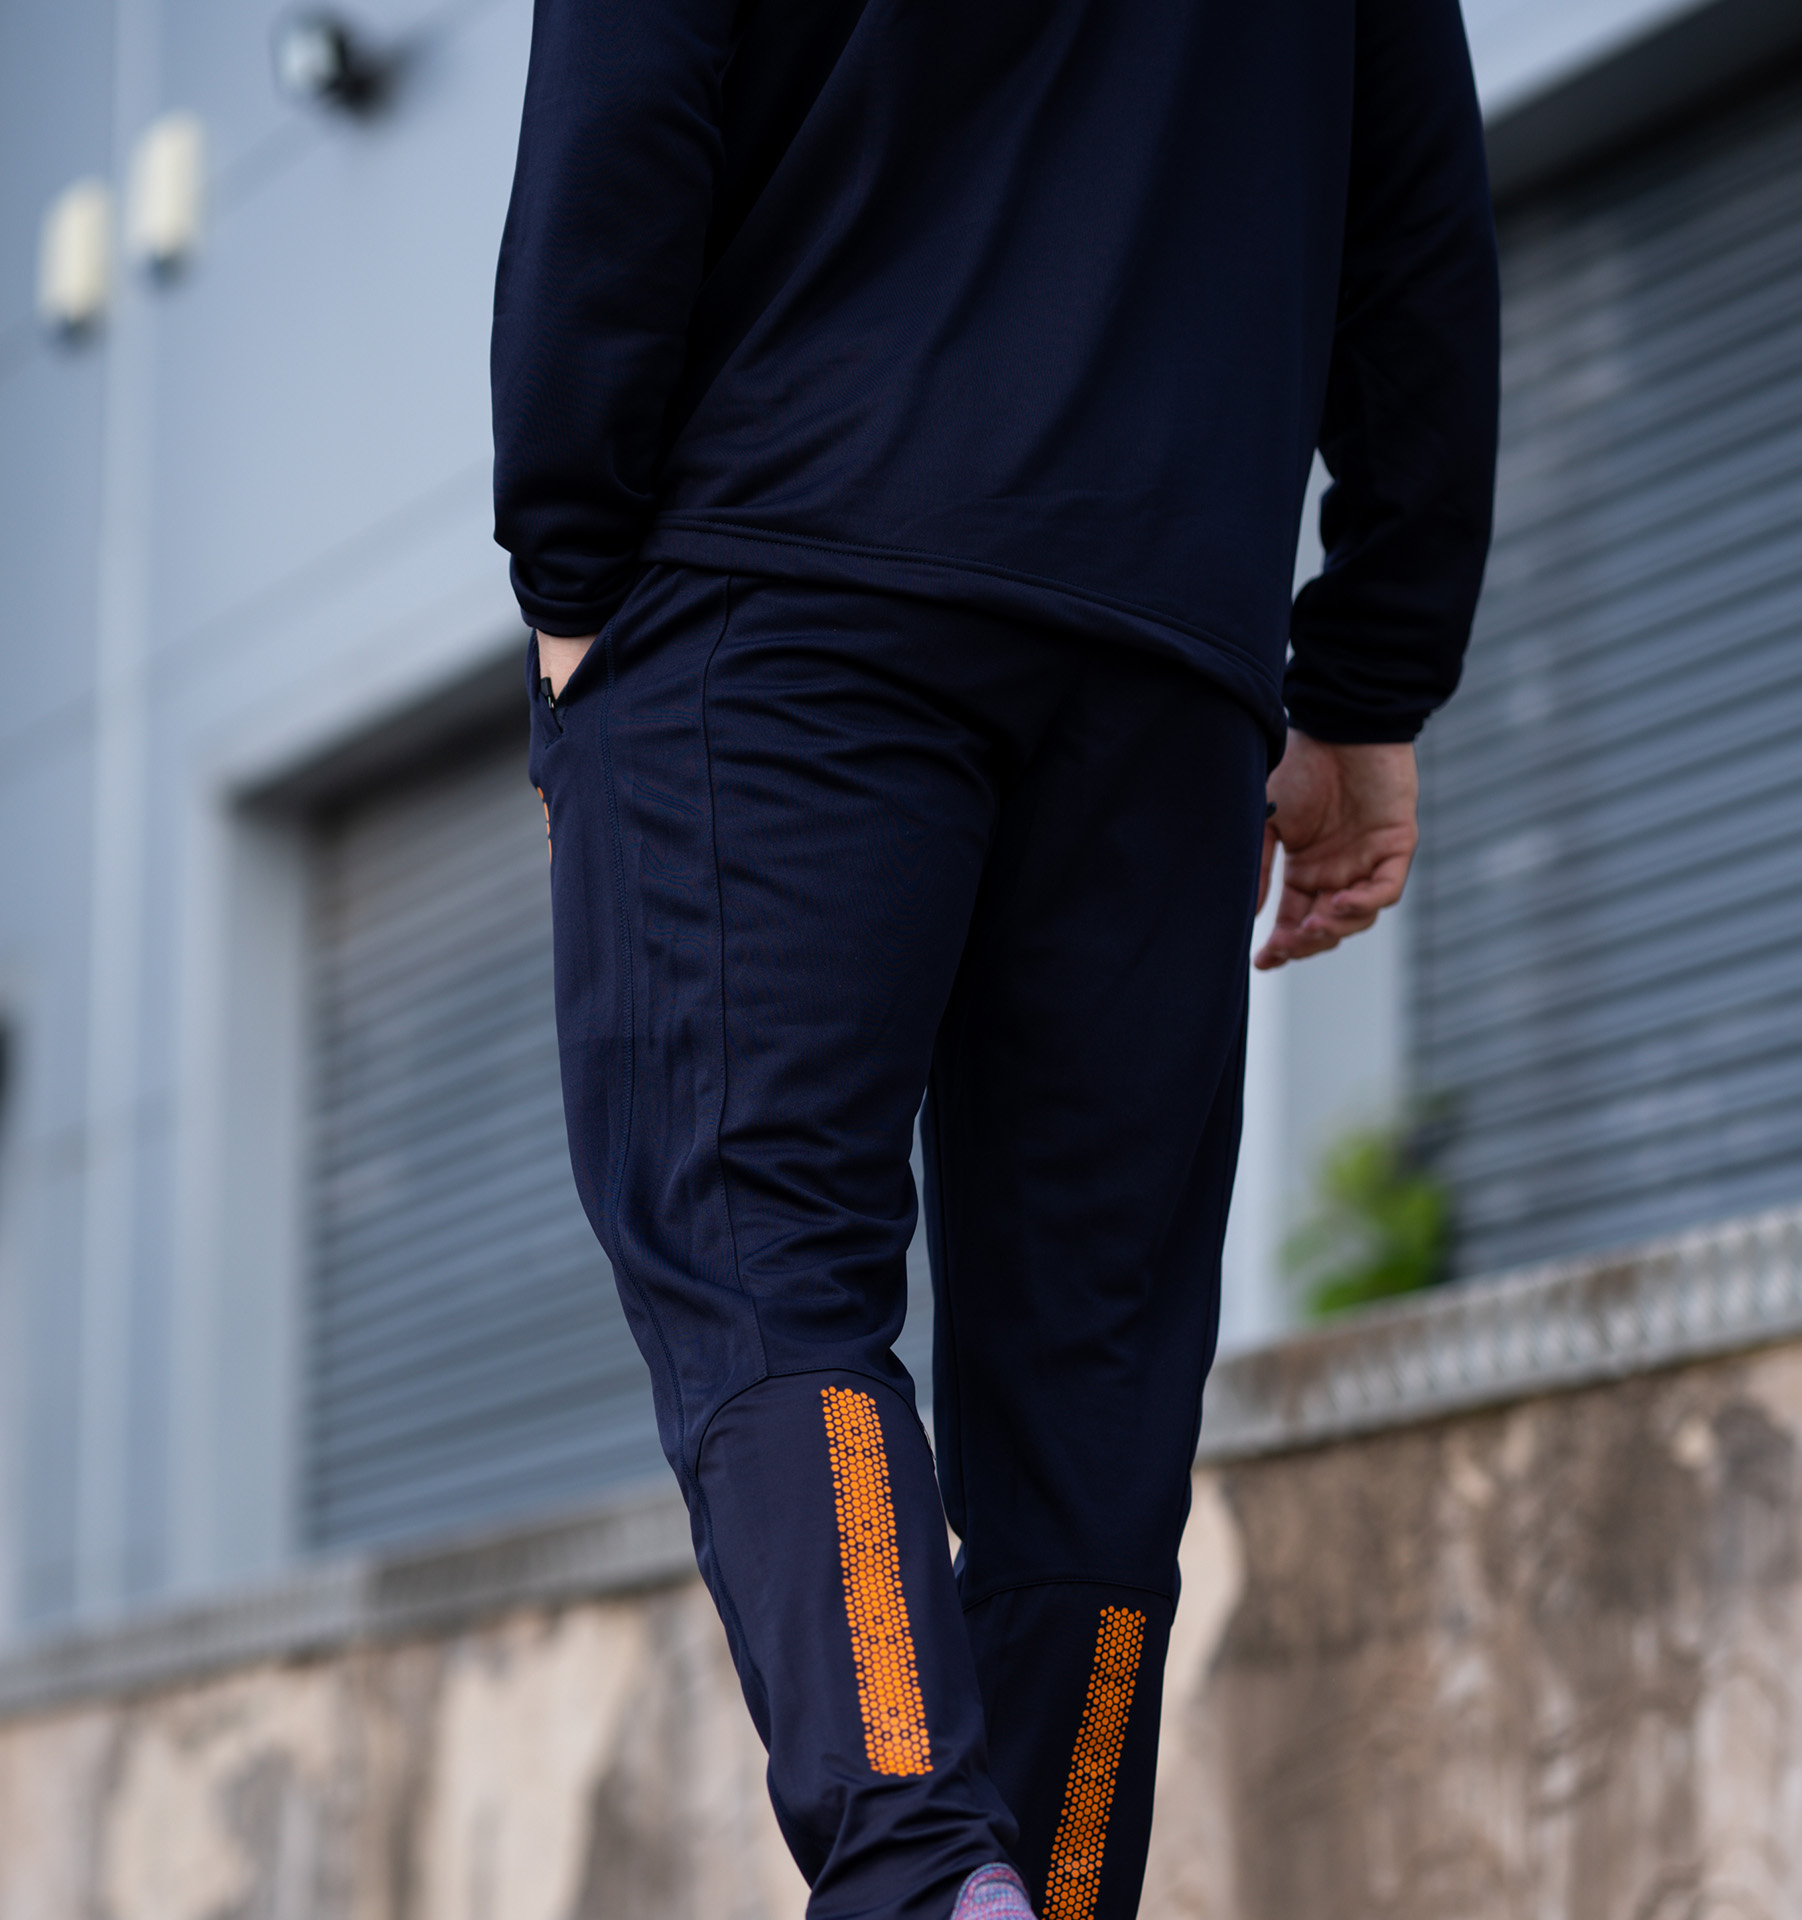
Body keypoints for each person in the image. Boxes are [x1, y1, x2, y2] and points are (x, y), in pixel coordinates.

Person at [490, 0, 1498, 1907]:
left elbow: (624, 107)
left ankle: (920, 1866)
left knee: (760, 1259)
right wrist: (1373, 676)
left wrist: (569, 569)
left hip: (785, 591)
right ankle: (1036, 1888)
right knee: (1093, 1374)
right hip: (1162, 666)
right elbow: (1419, 234)